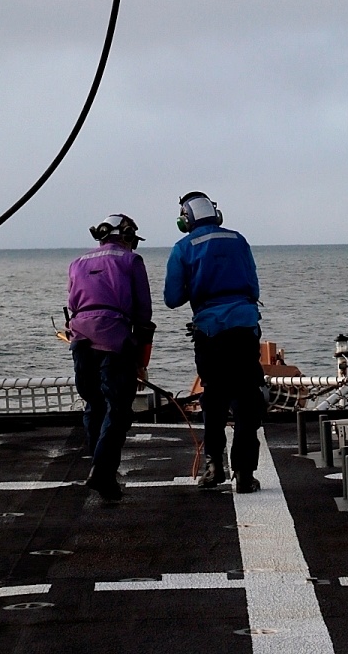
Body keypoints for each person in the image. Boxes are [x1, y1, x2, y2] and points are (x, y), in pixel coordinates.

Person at [164, 192, 264, 493]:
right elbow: (254, 286)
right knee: (247, 400)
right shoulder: (238, 240)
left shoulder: (183, 248)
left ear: (185, 220)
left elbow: (172, 299)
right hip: (245, 327)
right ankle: (245, 474)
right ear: (216, 214)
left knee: (215, 400)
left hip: (210, 333)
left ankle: (214, 468)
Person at [67, 214, 154, 502]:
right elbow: (143, 312)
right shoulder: (131, 261)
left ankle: (99, 468)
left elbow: (72, 303)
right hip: (115, 339)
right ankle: (102, 471)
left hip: (80, 337)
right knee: (118, 410)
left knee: (94, 404)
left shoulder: (77, 263)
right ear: (127, 235)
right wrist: (141, 358)